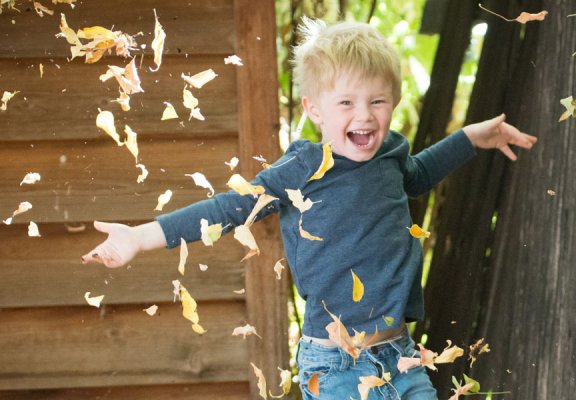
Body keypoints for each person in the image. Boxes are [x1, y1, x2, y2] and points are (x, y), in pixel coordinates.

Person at [82, 17, 536, 399]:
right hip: (334, 366)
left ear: (394, 102)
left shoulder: (391, 155)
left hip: (400, 354)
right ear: (315, 109)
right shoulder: (302, 168)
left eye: (377, 101)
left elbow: (419, 173)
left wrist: (470, 138)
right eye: (347, 103)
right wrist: (140, 236)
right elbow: (229, 209)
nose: (364, 115)